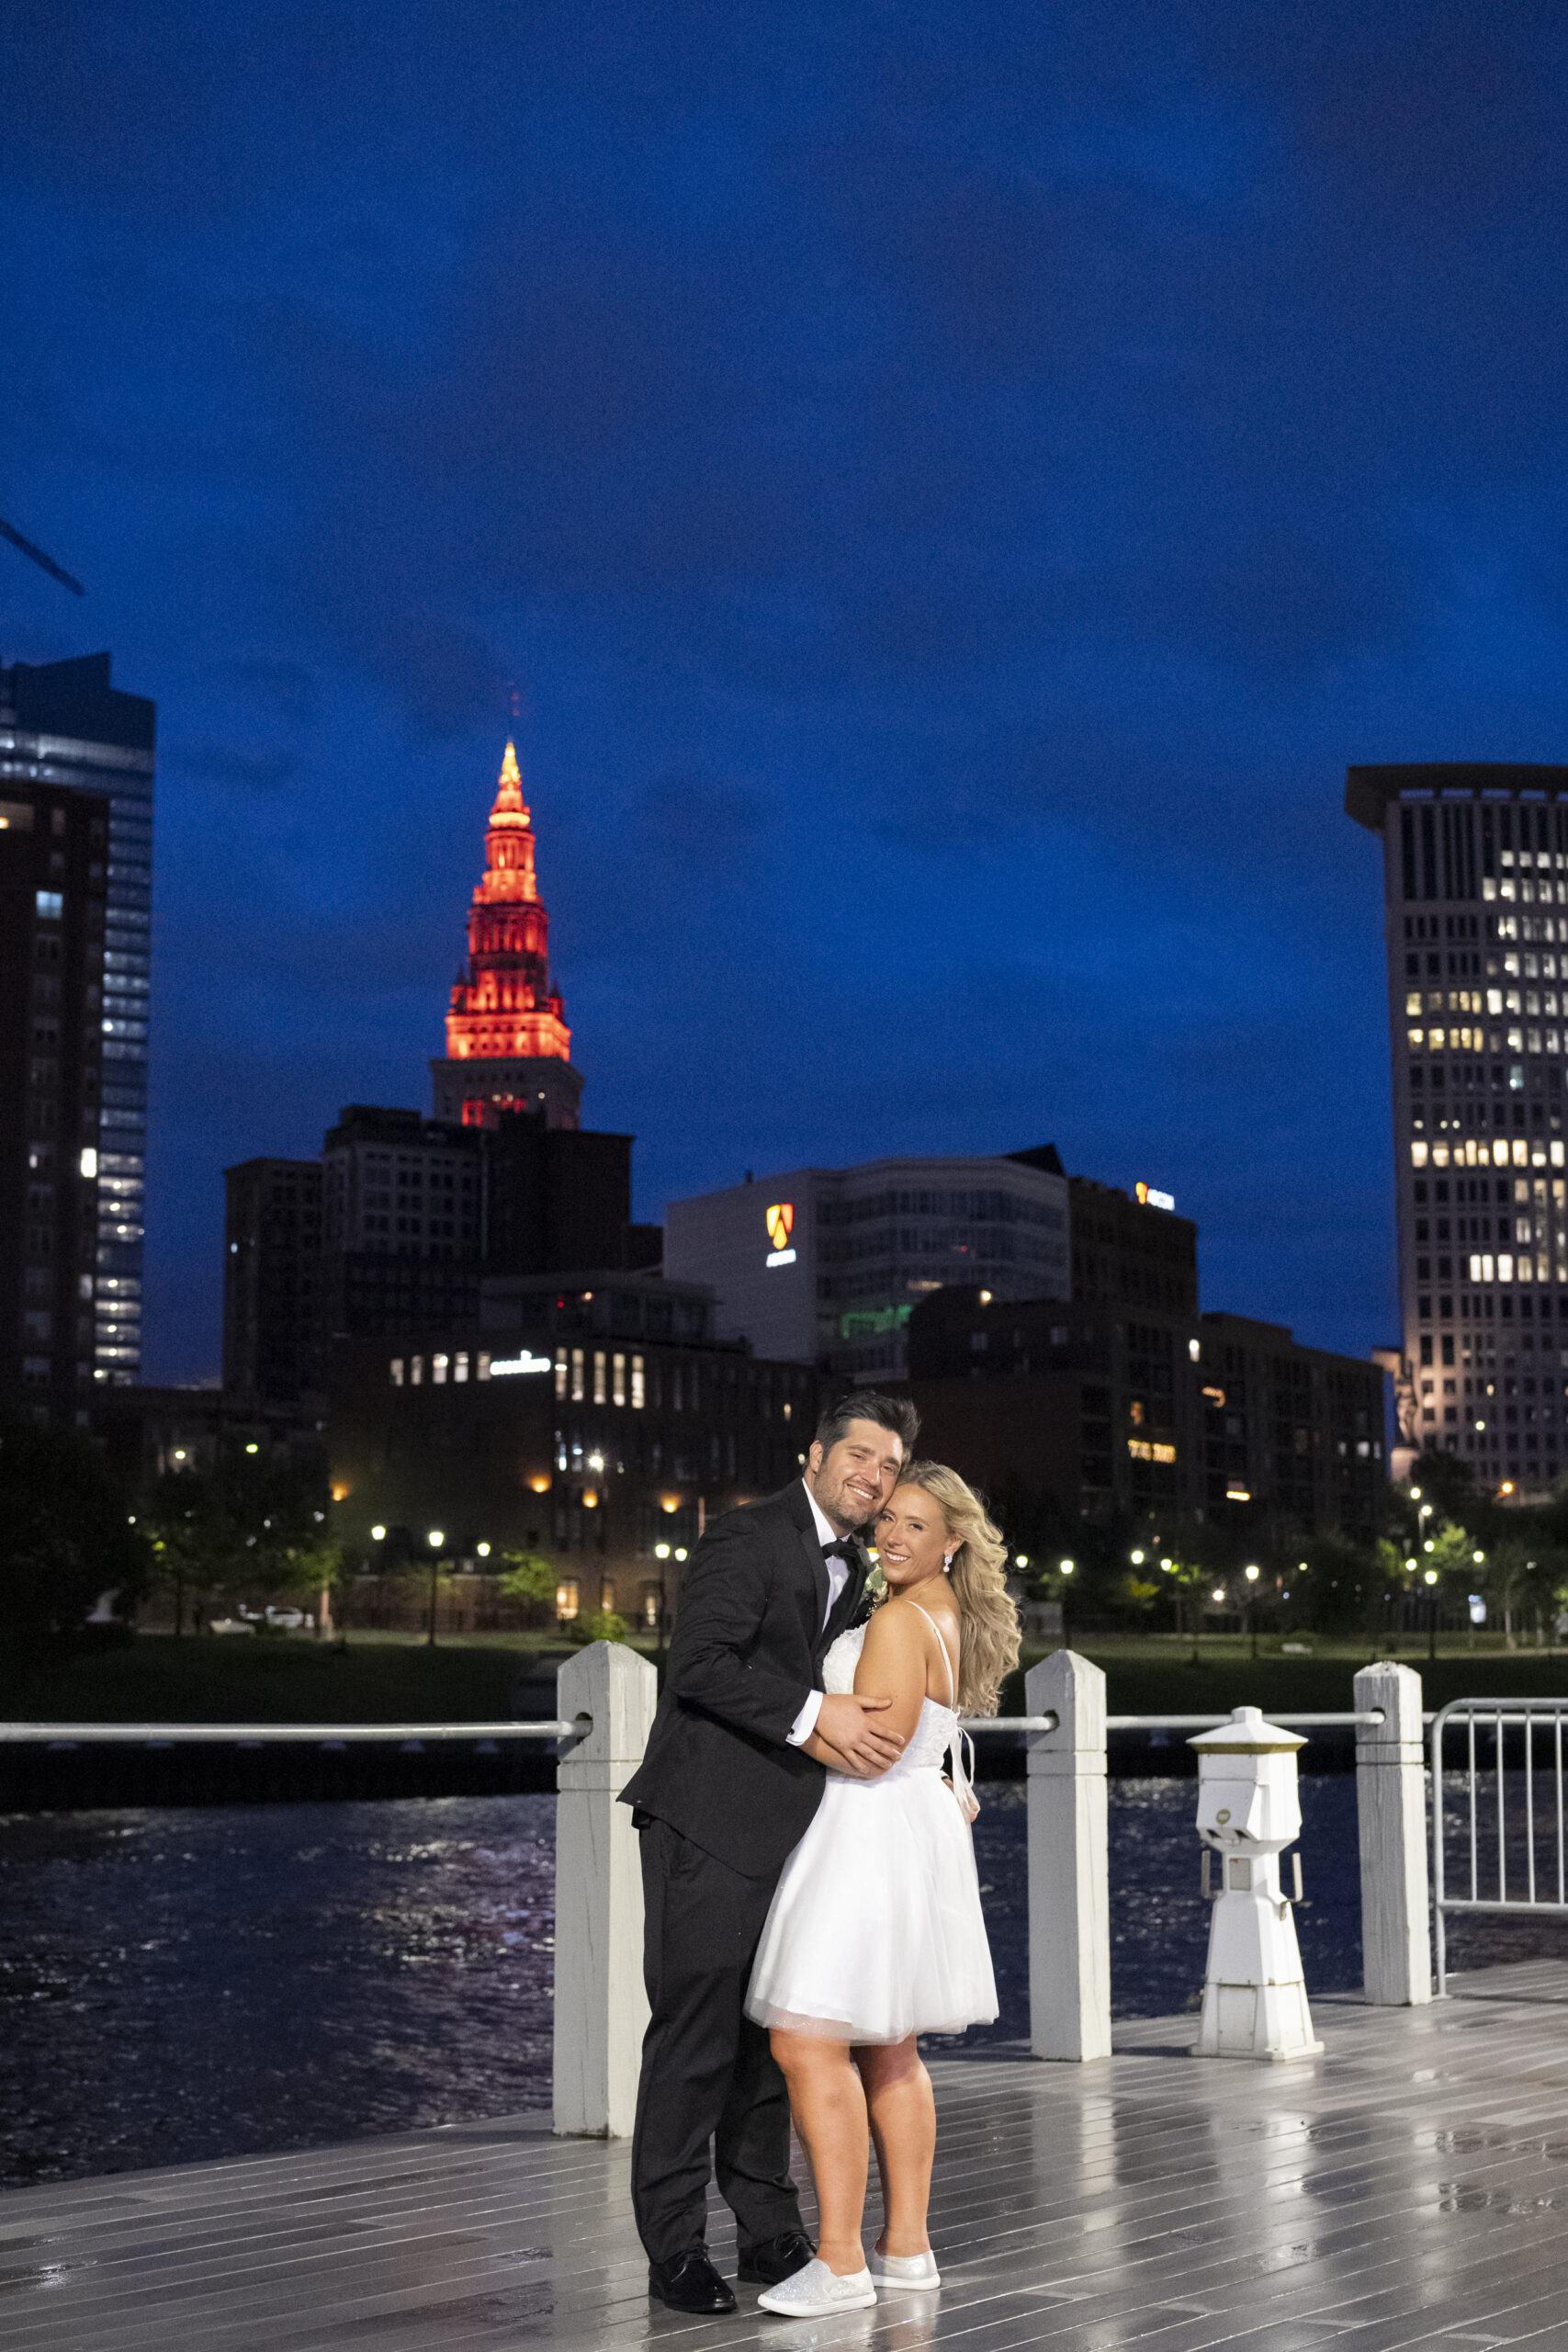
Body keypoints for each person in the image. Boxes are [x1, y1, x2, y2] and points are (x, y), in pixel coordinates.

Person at [619, 1390, 921, 2314]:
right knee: (696, 2039)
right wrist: (811, 1713)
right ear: (817, 1452)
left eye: (889, 1466)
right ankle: (672, 2248)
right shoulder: (747, 1537)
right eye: (860, 1455)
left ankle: (768, 2230)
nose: (873, 1475)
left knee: (769, 2042)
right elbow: (699, 1664)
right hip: (707, 1819)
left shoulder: (866, 1565)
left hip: (798, 1832)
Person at [744, 1462, 1021, 2319]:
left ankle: (838, 2261)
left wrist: (779, 1722)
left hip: (865, 1834)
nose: (891, 1536)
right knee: (891, 2046)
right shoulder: (949, 1616)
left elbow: (877, 1745)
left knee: (805, 2039)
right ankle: (905, 2249)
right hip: (909, 1831)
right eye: (887, 1520)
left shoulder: (902, 1617)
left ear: (952, 1542)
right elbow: (921, 1743)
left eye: (913, 1525)